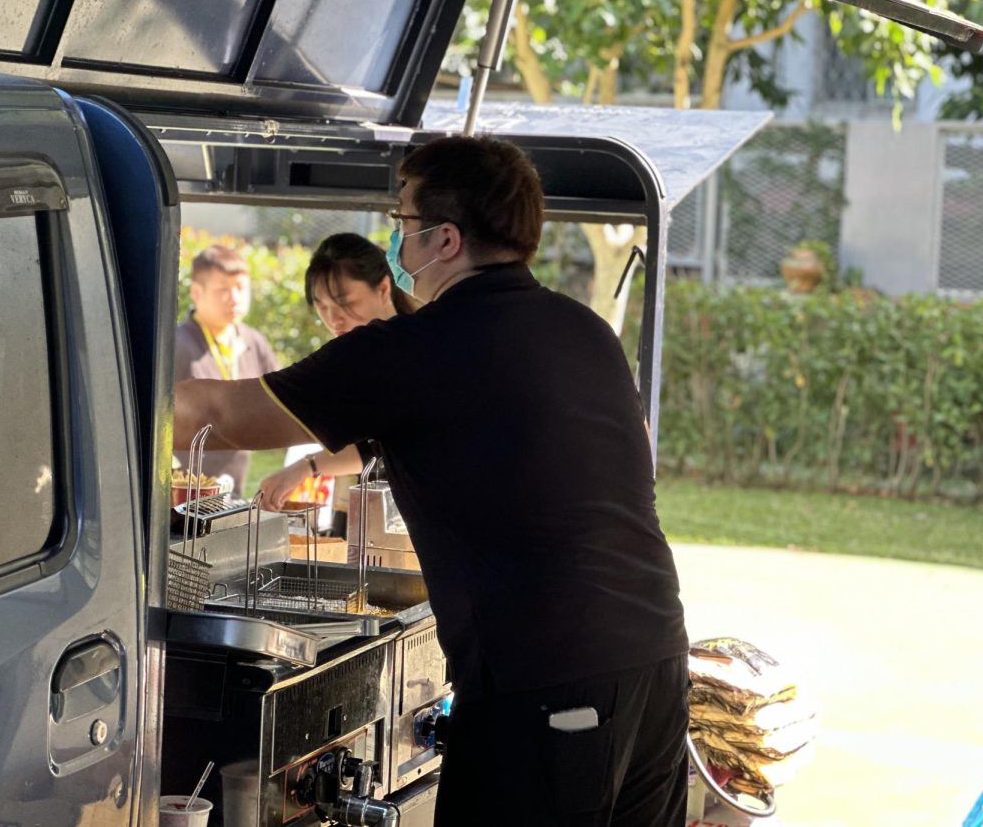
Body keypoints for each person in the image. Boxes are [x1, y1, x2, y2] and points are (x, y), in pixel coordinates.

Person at [174, 136, 689, 826]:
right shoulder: (585, 330)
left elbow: (216, 413)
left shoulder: (410, 351)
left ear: (444, 239)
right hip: (655, 663)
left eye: (403, 219)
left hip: (544, 683)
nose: (396, 236)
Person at [259, 233, 415, 521]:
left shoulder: (407, 352)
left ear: (383, 288)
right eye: (322, 307)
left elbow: (377, 446)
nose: (334, 319)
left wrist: (306, 468)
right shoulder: (355, 354)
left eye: (344, 302)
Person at [173, 244, 278, 492]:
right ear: (196, 293)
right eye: (223, 290)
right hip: (184, 492)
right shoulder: (177, 345)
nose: (234, 298)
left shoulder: (253, 342)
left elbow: (278, 399)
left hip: (236, 487)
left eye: (241, 288)